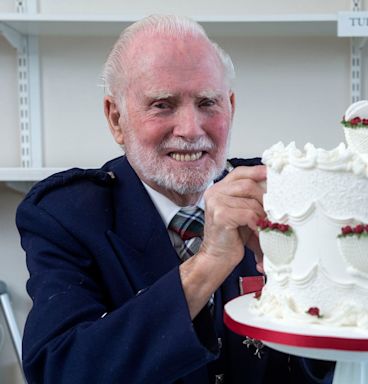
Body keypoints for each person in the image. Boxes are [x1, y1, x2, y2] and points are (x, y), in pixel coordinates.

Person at [16, 14, 334, 383]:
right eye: (162, 104)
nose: (190, 129)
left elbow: (329, 358)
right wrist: (207, 264)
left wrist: (311, 283)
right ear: (116, 118)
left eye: (207, 102)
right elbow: (60, 369)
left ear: (230, 106)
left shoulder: (282, 193)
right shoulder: (67, 216)